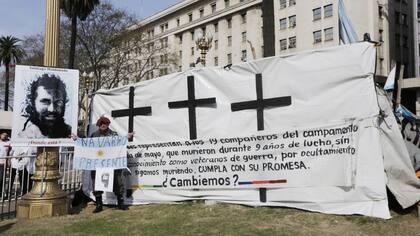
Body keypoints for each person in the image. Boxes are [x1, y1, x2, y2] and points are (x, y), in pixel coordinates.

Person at [88, 116, 132, 213]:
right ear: (98, 125)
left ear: (108, 124)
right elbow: (86, 146)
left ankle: (120, 203)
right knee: (96, 182)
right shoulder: (93, 136)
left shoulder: (114, 135)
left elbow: (120, 145)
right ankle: (99, 204)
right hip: (98, 164)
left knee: (117, 182)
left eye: (105, 123)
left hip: (112, 164)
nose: (103, 125)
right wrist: (77, 139)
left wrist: (126, 137)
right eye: (101, 123)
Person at [18, 74, 71, 139]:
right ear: (32, 103)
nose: (52, 109)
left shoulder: (70, 134)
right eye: (45, 102)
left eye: (58, 102)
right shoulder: (23, 137)